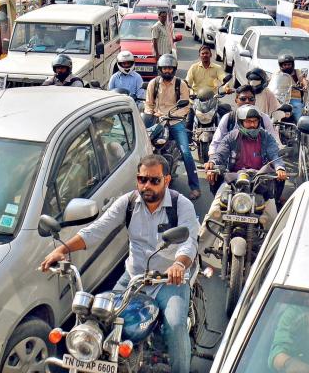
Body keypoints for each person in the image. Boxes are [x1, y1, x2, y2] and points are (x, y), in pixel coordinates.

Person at [41, 154, 199, 373]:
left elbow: (189, 243)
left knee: (175, 326)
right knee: (100, 320)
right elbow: (97, 229)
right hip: (133, 278)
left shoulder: (182, 205)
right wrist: (62, 249)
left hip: (169, 280)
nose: (147, 185)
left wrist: (179, 265)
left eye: (154, 180)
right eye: (142, 179)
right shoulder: (128, 203)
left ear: (167, 180)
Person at [200, 105, 287, 249]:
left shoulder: (266, 137)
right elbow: (220, 154)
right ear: (240, 122)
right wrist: (212, 163)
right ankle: (197, 255)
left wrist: (280, 168)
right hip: (234, 180)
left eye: (255, 121)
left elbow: (275, 155)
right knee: (213, 213)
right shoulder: (231, 137)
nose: (252, 125)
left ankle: (277, 253)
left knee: (273, 218)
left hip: (260, 182)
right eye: (248, 121)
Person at [144, 54, 201, 200]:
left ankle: (195, 187)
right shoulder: (153, 84)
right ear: (160, 69)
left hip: (175, 121)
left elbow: (186, 104)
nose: (167, 71)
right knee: (145, 147)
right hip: (158, 120)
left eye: (170, 68)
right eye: (165, 68)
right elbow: (148, 104)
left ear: (174, 69)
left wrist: (175, 115)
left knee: (186, 152)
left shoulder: (180, 84)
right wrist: (153, 113)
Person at [271, 55, 308, 122]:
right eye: (285, 65)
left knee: (297, 107)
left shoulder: (297, 72)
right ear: (281, 65)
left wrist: (305, 85)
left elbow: (302, 79)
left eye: (289, 64)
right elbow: (272, 82)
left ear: (292, 65)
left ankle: (298, 126)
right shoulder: (277, 73)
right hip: (281, 97)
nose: (287, 66)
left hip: (294, 97)